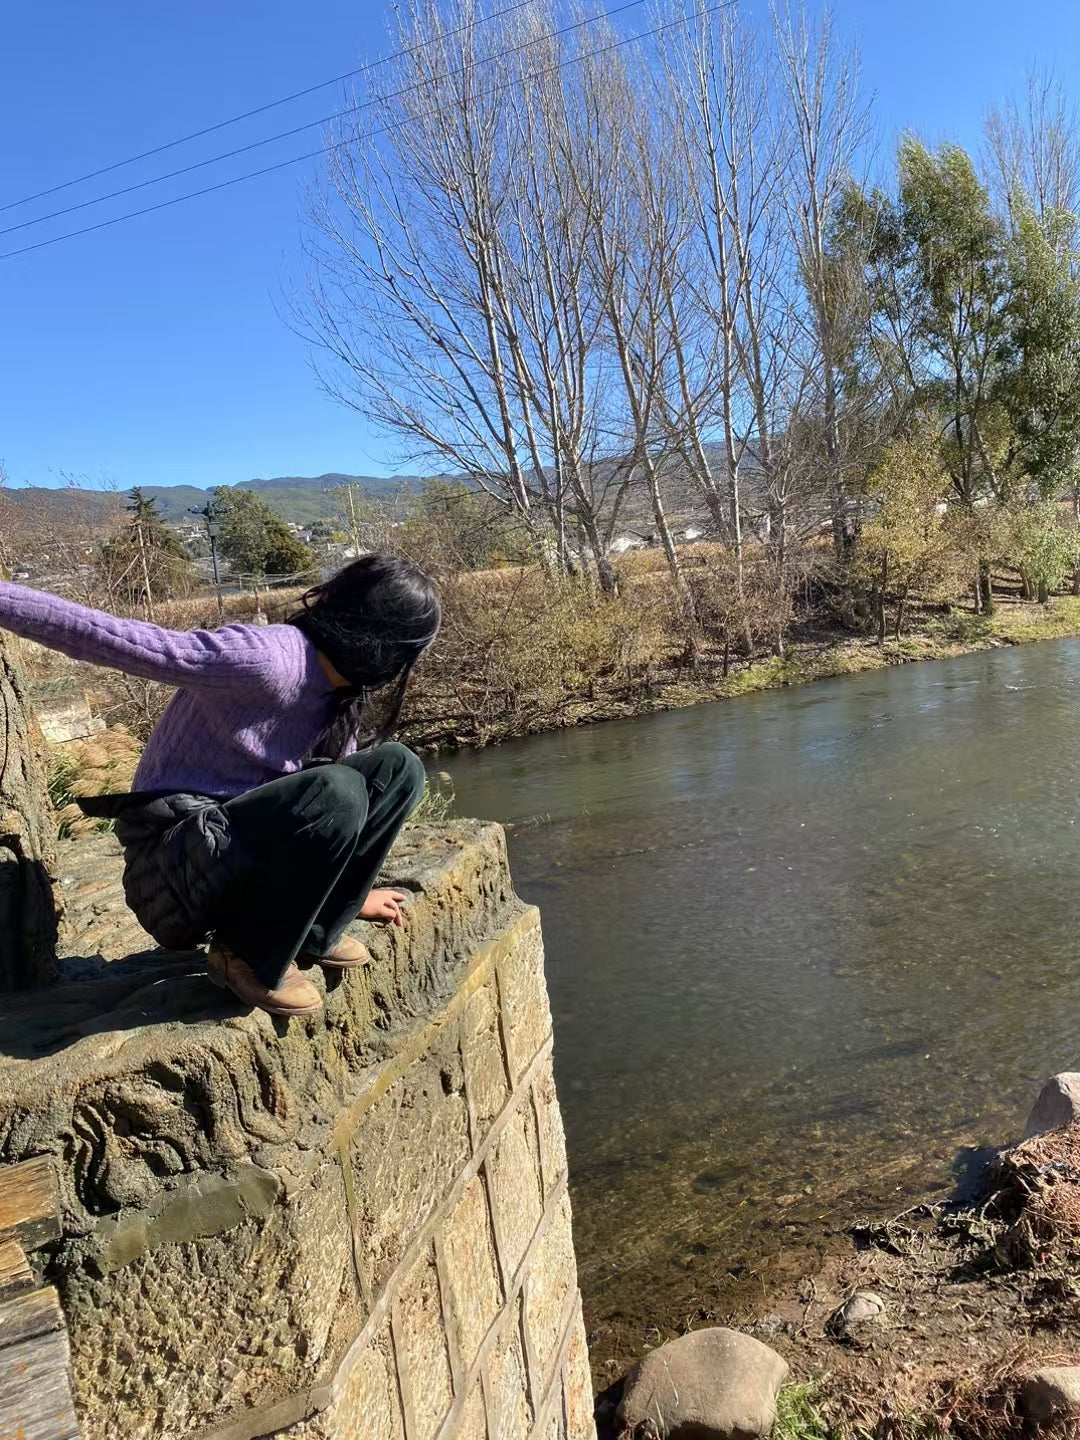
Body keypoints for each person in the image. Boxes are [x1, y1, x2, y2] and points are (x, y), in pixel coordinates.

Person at [0, 555, 441, 1018]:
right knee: (337, 791)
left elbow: (338, 827)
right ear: (384, 645)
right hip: (171, 870)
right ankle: (245, 955)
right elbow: (108, 635)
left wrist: (351, 894)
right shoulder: (268, 658)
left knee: (399, 768)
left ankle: (317, 928)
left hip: (231, 857)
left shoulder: (338, 697)